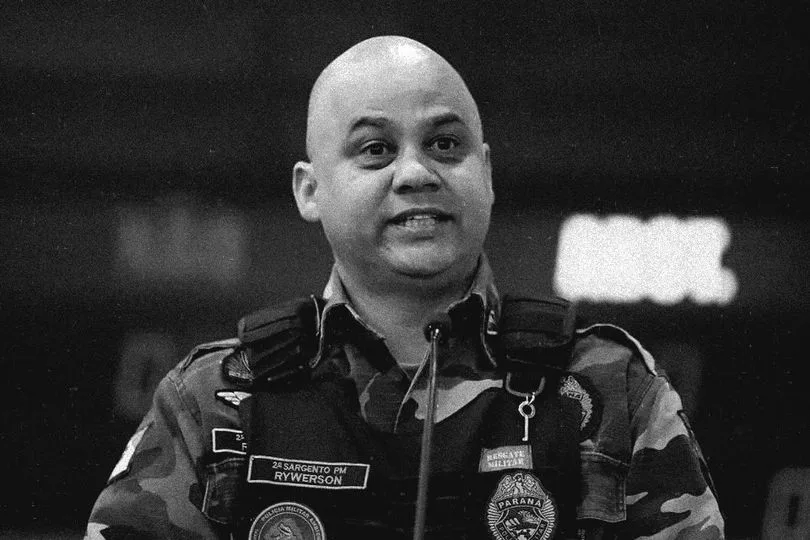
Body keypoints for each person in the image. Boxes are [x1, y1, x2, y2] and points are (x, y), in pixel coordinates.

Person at [85, 36, 725, 540]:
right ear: (310, 190)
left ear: (487, 173)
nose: (416, 172)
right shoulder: (216, 401)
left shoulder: (608, 389)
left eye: (445, 144)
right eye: (375, 149)